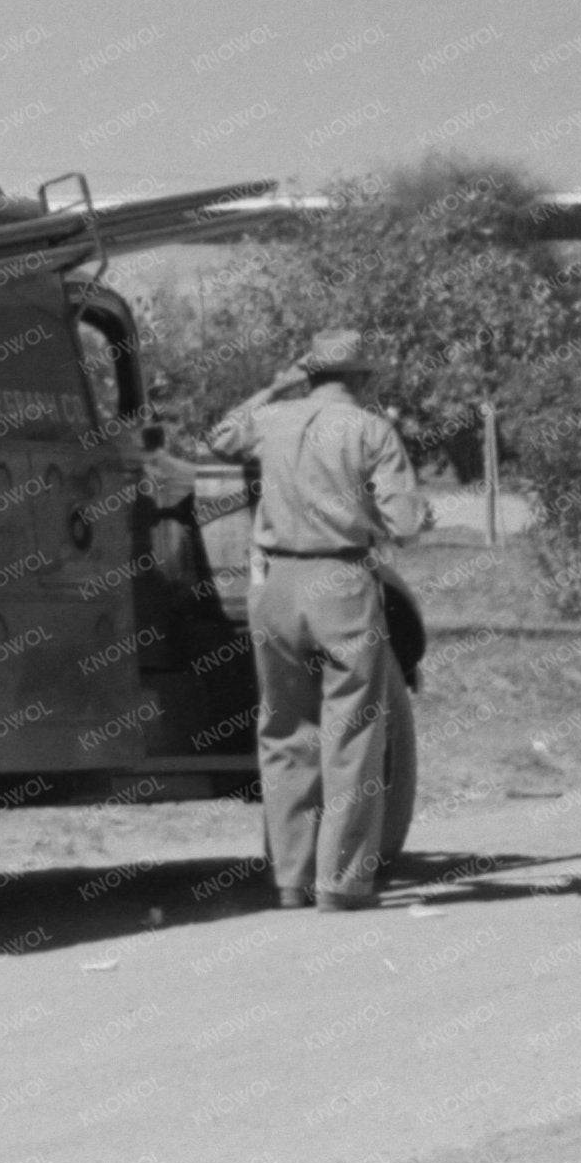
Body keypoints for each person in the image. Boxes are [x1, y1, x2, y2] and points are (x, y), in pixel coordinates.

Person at [208, 327, 430, 911]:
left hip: (274, 586)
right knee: (352, 734)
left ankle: (291, 879)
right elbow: (404, 525)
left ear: (308, 374)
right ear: (361, 379)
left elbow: (221, 436)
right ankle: (342, 883)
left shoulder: (274, 419)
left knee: (284, 731)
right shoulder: (369, 429)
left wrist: (274, 387)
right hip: (341, 584)